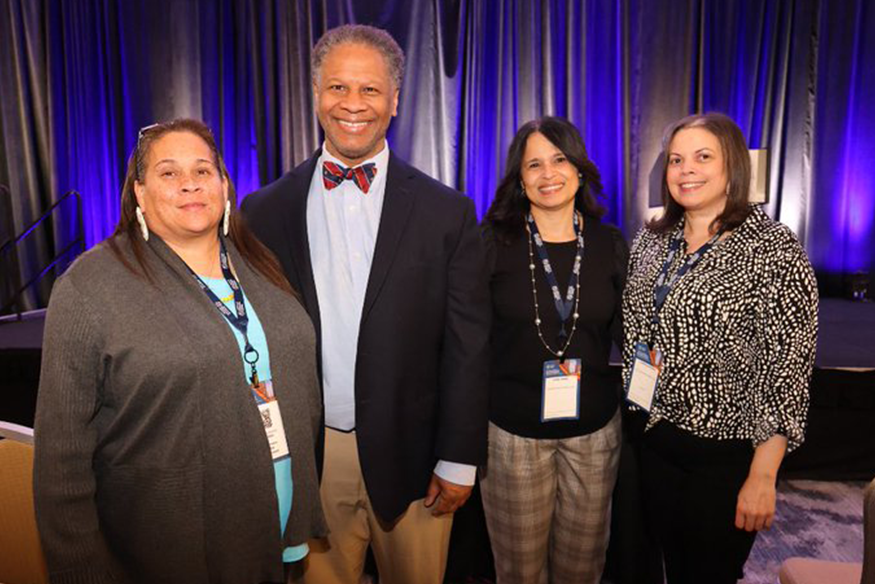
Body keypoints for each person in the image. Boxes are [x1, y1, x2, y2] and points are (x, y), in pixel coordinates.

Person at [241, 24, 490, 584]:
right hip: (309, 459)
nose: (352, 104)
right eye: (337, 88)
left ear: (395, 100)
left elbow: (468, 347)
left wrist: (457, 458)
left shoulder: (445, 212)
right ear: (315, 94)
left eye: (370, 90)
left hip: (417, 459)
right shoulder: (263, 210)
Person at [33, 119, 326, 584]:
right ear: (139, 194)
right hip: (168, 555)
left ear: (225, 187)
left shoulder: (258, 263)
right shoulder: (90, 288)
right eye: (168, 173)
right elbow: (61, 462)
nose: (189, 182)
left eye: (203, 170)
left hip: (274, 540)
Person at [622, 112, 818, 583]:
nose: (685, 170)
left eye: (702, 157)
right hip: (652, 441)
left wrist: (763, 477)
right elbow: (634, 331)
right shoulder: (652, 240)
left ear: (732, 165)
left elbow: (786, 373)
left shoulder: (774, 249)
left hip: (724, 459)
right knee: (666, 566)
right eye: (675, 160)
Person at [479, 117, 626, 584]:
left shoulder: (611, 243)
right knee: (519, 570)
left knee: (583, 567)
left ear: (579, 169)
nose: (548, 174)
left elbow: (630, 331)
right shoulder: (493, 244)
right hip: (512, 435)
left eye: (560, 160)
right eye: (534, 164)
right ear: (519, 179)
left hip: (595, 432)